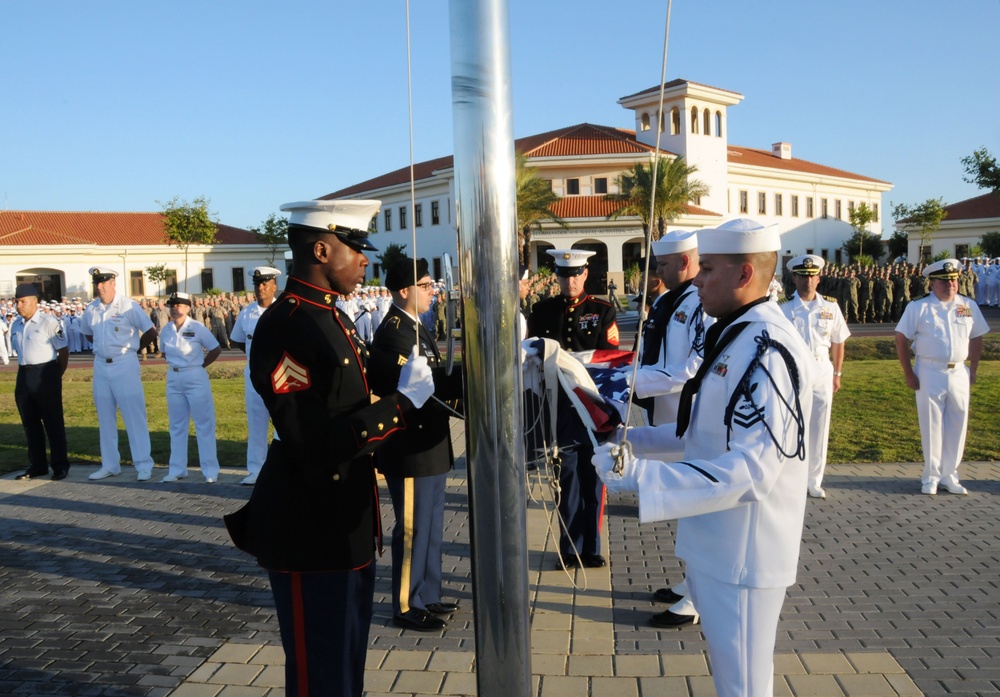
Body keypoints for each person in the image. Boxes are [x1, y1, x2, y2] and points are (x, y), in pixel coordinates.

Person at [594, 218, 814, 697]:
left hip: (743, 551)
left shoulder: (770, 348)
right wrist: (631, 442)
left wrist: (646, 479)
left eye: (708, 268)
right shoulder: (736, 334)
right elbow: (704, 434)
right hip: (716, 544)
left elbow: (754, 471)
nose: (696, 278)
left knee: (745, 687)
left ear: (744, 275)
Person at [223, 198, 435, 697]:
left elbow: (382, 378)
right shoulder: (288, 325)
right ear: (321, 249)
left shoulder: (331, 318)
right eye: (355, 247)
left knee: (346, 669)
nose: (365, 260)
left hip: (347, 525)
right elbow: (314, 441)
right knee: (321, 675)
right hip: (310, 527)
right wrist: (401, 404)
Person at [369, 257, 464, 632]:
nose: (432, 291)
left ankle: (427, 593)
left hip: (429, 445)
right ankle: (407, 604)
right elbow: (412, 389)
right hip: (409, 447)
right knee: (412, 528)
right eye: (425, 286)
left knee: (432, 524)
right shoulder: (395, 332)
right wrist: (464, 385)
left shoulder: (414, 325)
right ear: (404, 290)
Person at [626, 230, 711, 629]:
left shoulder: (699, 304)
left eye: (662, 264)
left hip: (690, 415)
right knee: (682, 505)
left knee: (692, 504)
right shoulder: (669, 300)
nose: (656, 271)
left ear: (684, 261)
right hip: (665, 413)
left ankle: (697, 597)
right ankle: (689, 582)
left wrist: (637, 381)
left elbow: (694, 365)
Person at [527, 248, 618, 569]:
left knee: (593, 480)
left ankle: (591, 547)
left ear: (585, 274)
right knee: (567, 482)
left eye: (575, 274)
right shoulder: (542, 310)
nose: (569, 280)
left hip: (592, 408)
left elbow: (608, 361)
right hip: (559, 410)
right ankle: (570, 549)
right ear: (557, 276)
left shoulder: (602, 309)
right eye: (564, 275)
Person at [894, 258, 989, 495]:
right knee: (931, 423)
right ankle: (931, 475)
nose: (951, 285)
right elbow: (901, 338)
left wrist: (974, 368)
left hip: (959, 370)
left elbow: (977, 336)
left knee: (958, 423)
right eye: (944, 281)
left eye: (954, 280)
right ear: (932, 283)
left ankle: (950, 474)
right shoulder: (919, 307)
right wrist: (908, 372)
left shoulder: (967, 305)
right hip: (929, 370)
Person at [781, 255, 850, 499]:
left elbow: (838, 340)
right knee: (793, 425)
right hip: (794, 371)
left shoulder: (830, 307)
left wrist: (837, 374)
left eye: (812, 275)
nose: (807, 280)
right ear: (794, 278)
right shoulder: (783, 308)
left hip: (822, 369)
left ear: (819, 278)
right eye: (802, 275)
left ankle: (814, 480)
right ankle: (792, 478)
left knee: (820, 426)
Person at [81, 267, 158, 481]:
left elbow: (151, 331)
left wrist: (134, 349)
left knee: (134, 416)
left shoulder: (128, 306)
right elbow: (88, 334)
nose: (99, 287)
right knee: (105, 417)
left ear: (113, 283)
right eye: (97, 283)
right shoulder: (91, 309)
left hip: (124, 364)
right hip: (101, 365)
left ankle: (143, 464)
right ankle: (110, 465)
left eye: (104, 282)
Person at [159, 292, 222, 483]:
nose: (175, 308)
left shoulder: (197, 327)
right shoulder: (166, 329)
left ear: (188, 308)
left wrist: (200, 365)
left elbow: (215, 348)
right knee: (177, 425)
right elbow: (163, 352)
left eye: (179, 305)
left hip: (195, 376)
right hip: (174, 376)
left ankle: (210, 470)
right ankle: (177, 469)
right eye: (172, 305)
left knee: (204, 424)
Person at [10, 283, 71, 481]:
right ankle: (37, 465)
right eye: (17, 301)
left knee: (53, 422)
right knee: (30, 423)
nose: (19, 305)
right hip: (24, 374)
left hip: (46, 373)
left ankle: (60, 465)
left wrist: (54, 375)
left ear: (34, 302)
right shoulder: (17, 324)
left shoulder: (49, 322)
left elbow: (63, 351)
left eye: (22, 301)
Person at [229, 266, 282, 486]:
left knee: (283, 424)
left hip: (280, 378)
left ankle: (284, 469)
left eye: (265, 283)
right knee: (256, 424)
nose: (260, 288)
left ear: (274, 286)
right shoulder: (246, 312)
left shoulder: (283, 311)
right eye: (257, 284)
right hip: (254, 378)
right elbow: (238, 340)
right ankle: (256, 470)